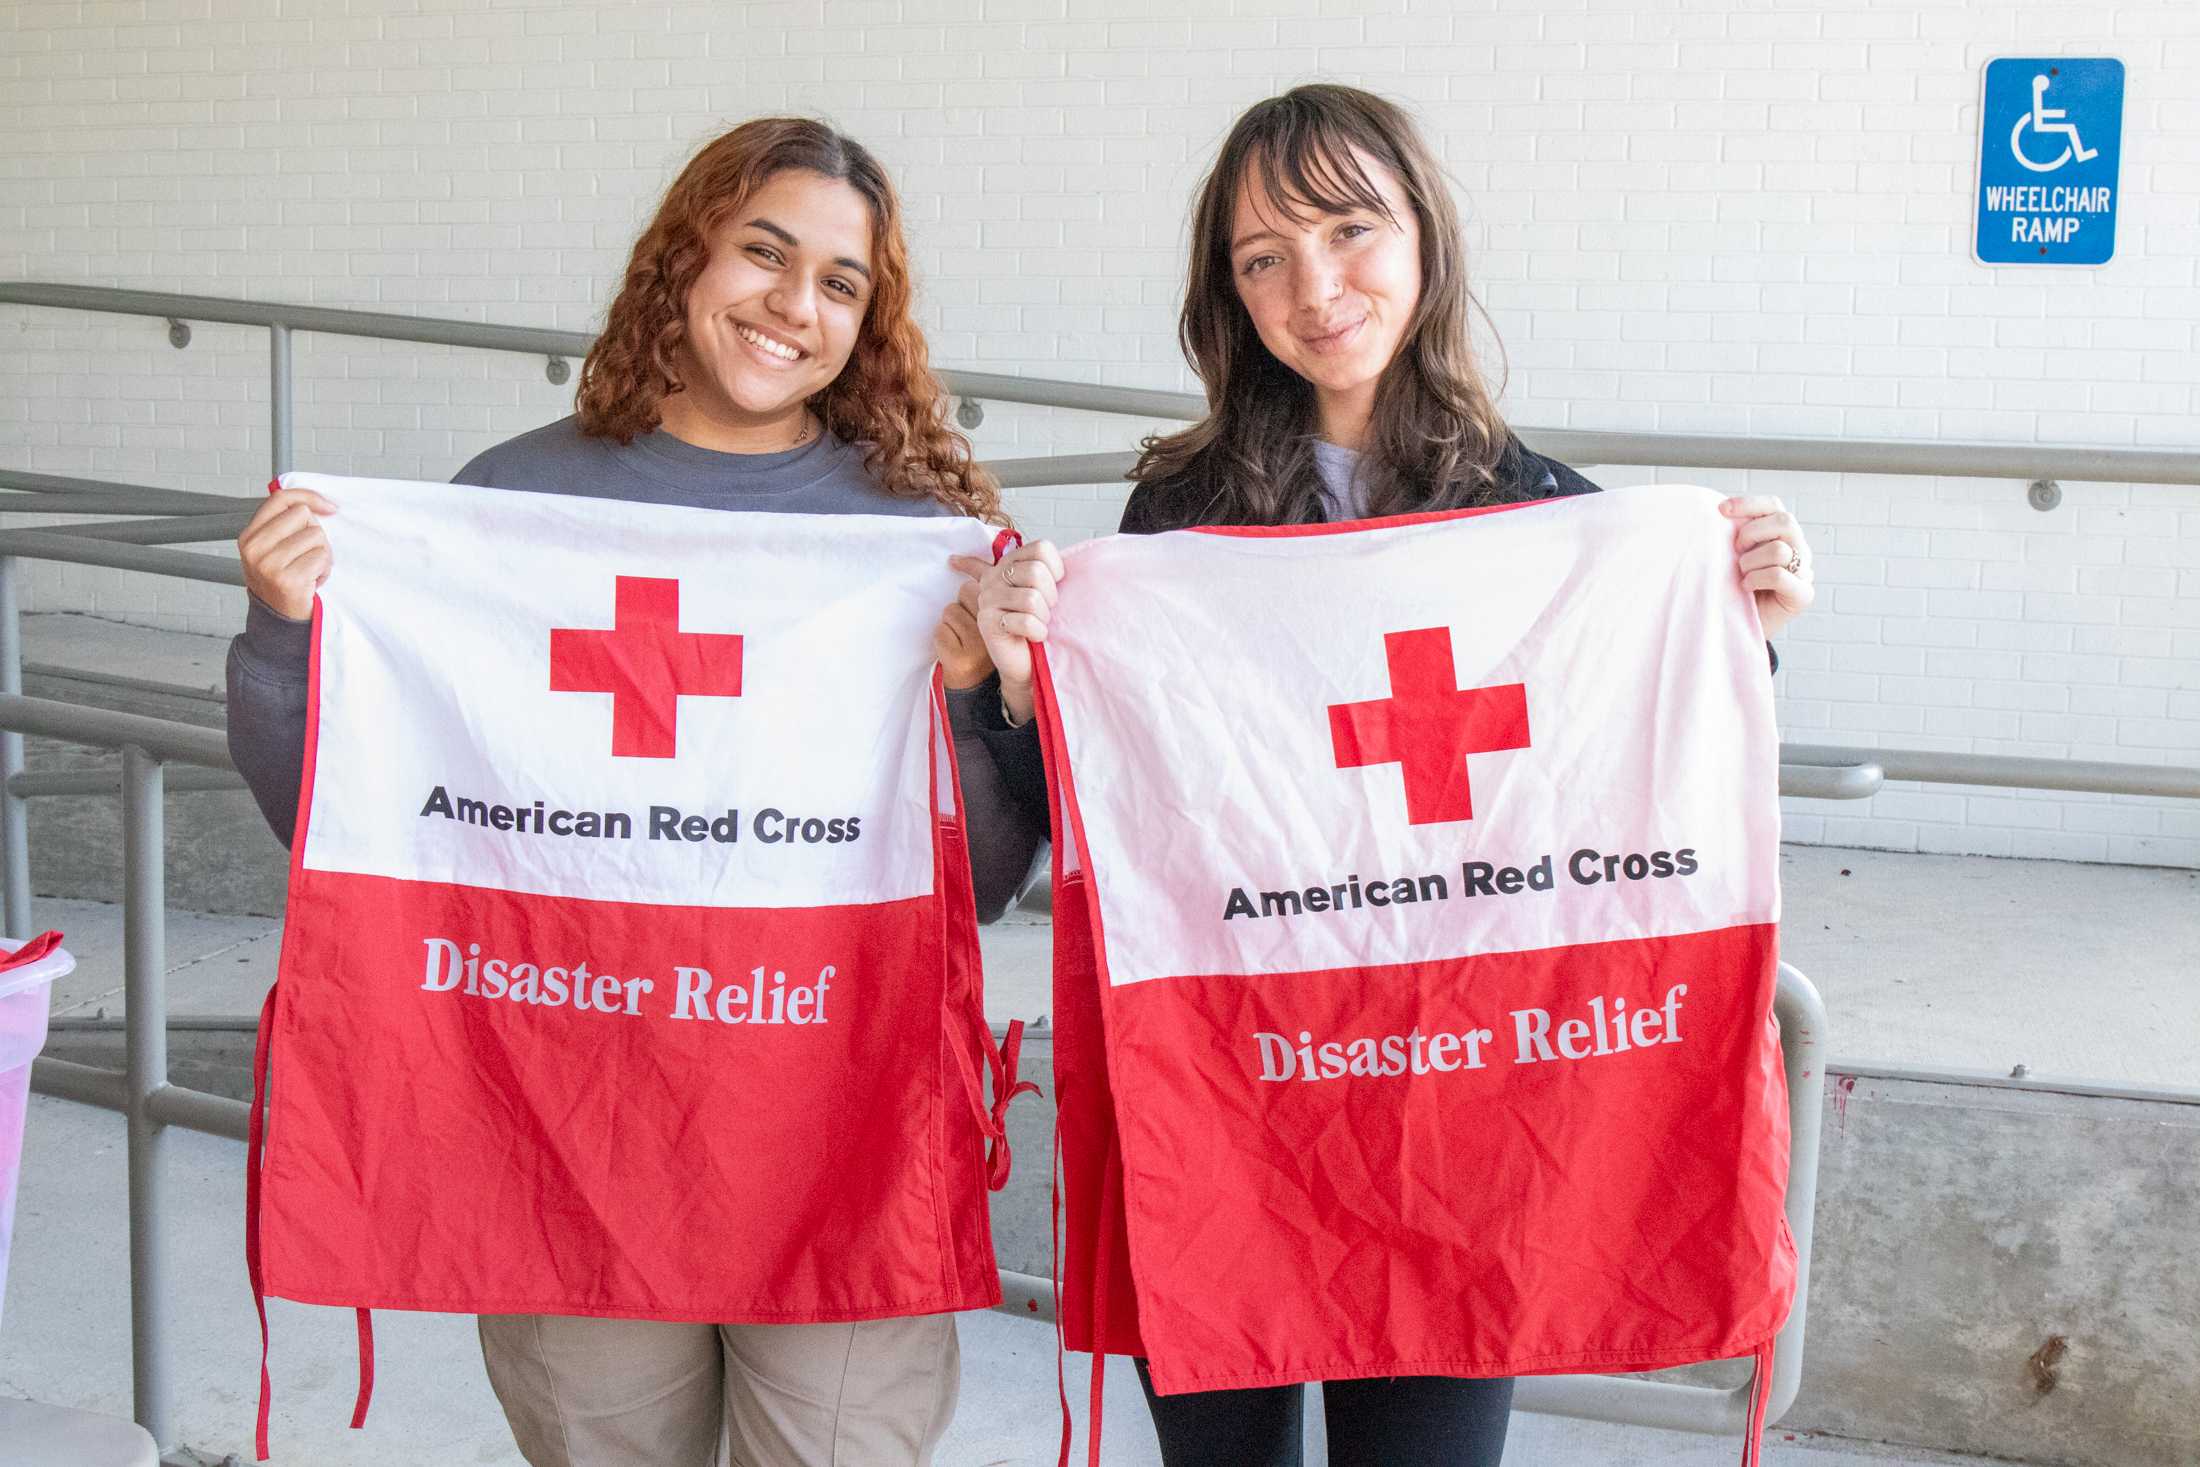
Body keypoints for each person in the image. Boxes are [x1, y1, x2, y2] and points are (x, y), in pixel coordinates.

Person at [961, 84, 1816, 1467]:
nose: (1315, 285)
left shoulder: (1548, 520)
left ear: (1426, 239)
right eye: (1262, 258)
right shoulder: (1172, 521)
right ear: (1228, 295)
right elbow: (1126, 807)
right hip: (1236, 1078)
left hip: (1458, 1106)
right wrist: (1018, 688)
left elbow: (1613, 785)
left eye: (1351, 231)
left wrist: (1738, 641)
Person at [226, 117, 1044, 1467]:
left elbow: (980, 888)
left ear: (868, 319)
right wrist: (284, 634)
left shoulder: (917, 535)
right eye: (763, 253)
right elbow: (346, 823)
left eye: (840, 283)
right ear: (685, 257)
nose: (794, 305)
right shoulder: (512, 508)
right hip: (573, 1124)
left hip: (836, 1127)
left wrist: (968, 695)